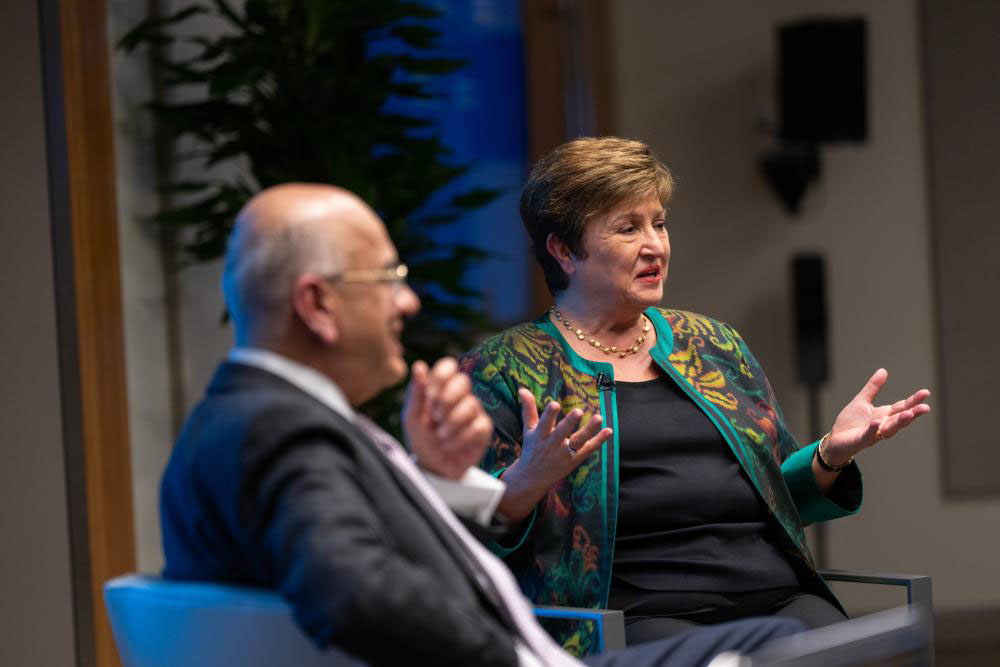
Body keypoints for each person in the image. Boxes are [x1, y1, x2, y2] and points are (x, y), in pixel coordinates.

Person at [159, 183, 808, 667]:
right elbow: (356, 594)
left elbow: (371, 553)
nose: (407, 301)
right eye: (387, 279)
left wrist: (442, 482)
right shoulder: (281, 433)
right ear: (317, 305)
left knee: (785, 639)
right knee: (784, 648)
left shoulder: (254, 416)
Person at [459, 137, 931, 650]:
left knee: (829, 647)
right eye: (627, 228)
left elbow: (780, 502)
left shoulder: (712, 344)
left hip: (777, 596)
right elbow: (468, 537)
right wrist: (527, 479)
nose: (655, 245)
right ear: (564, 250)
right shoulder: (504, 369)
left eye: (658, 223)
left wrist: (830, 455)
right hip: (635, 616)